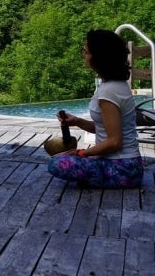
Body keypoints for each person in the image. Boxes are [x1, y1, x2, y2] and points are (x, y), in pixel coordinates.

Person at [48, 29, 144, 189]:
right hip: (124, 164)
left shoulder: (109, 91)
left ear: (99, 58)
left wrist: (82, 153)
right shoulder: (114, 85)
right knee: (63, 157)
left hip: (123, 169)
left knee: (56, 164)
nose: (83, 55)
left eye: (86, 52)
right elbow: (105, 130)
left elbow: (115, 142)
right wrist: (77, 121)